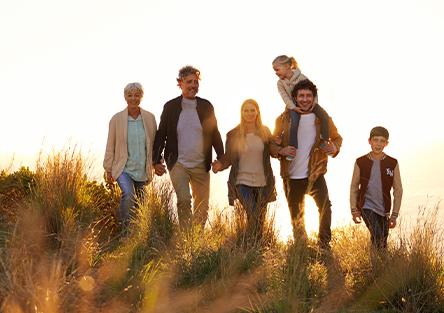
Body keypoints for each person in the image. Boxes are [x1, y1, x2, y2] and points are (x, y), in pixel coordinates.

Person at [270, 79, 342, 249]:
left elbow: (337, 137)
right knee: (297, 216)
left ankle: (324, 245)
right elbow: (272, 143)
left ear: (314, 97)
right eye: (301, 95)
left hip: (315, 173)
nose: (305, 99)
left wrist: (334, 146)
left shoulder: (322, 119)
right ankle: (302, 248)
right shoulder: (284, 118)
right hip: (291, 176)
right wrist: (281, 150)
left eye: (308, 96)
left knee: (325, 208)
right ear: (295, 97)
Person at [153, 65, 224, 231]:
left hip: (201, 164)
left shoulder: (207, 106)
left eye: (196, 82)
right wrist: (156, 160)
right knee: (184, 200)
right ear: (180, 83)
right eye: (189, 82)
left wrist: (221, 158)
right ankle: (186, 236)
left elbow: (214, 134)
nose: (193, 85)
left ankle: (196, 240)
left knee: (202, 206)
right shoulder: (170, 107)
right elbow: (161, 134)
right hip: (178, 163)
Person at [211, 99, 276, 234]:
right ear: (241, 113)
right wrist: (220, 164)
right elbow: (229, 156)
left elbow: (273, 150)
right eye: (246, 110)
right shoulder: (233, 134)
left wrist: (280, 146)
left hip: (263, 182)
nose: (249, 113)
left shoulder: (265, 131)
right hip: (242, 181)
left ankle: (254, 247)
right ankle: (249, 244)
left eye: (252, 110)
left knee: (260, 218)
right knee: (253, 212)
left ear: (257, 112)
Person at [104, 82, 157, 241]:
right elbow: (110, 144)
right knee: (128, 194)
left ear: (141, 97)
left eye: (136, 95)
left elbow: (155, 144)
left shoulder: (149, 118)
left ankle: (140, 236)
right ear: (125, 97)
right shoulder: (116, 119)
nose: (133, 98)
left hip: (142, 169)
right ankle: (125, 234)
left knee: (142, 203)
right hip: (123, 168)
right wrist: (108, 169)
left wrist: (157, 163)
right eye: (130, 95)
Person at [350, 126, 403, 250]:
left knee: (382, 242)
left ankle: (376, 266)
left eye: (382, 141)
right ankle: (375, 263)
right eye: (375, 140)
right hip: (366, 206)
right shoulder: (360, 162)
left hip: (384, 209)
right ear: (369, 141)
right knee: (378, 234)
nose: (378, 144)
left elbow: (398, 190)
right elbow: (354, 187)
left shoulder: (392, 163)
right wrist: (354, 210)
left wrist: (394, 215)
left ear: (386, 143)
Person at [272, 55, 330, 161]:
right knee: (294, 121)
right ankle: (293, 148)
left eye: (277, 70)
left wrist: (314, 103)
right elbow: (285, 98)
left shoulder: (301, 77)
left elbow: (313, 90)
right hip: (292, 106)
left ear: (286, 66)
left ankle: (324, 140)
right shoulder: (280, 83)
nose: (276, 73)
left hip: (309, 104)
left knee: (324, 116)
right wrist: (294, 108)